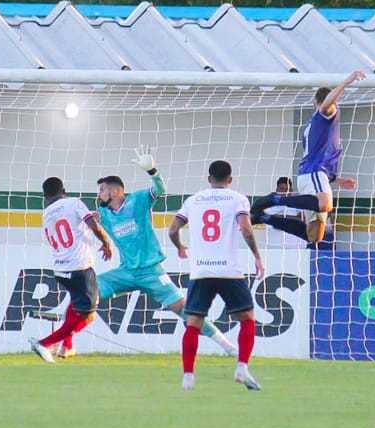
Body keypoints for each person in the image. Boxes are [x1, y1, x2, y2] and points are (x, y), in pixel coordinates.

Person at [45, 148, 238, 359]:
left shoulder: (138, 200)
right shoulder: (104, 215)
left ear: (116, 191)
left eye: (102, 189)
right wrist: (104, 244)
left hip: (151, 271)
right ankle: (65, 345)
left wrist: (152, 171)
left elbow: (160, 189)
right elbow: (87, 225)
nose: (98, 194)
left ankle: (228, 346)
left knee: (185, 310)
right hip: (125, 272)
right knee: (83, 296)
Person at [169, 160, 265, 391]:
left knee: (193, 323)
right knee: (247, 319)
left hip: (201, 271)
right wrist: (257, 256)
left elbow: (173, 229)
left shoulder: (193, 200)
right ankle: (242, 367)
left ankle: (188, 377)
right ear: (230, 179)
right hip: (229, 271)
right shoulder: (238, 199)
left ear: (209, 179)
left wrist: (180, 247)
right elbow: (245, 227)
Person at [251, 70, 366, 245]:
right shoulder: (325, 115)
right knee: (326, 204)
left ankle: (265, 218)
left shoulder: (316, 126)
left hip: (313, 176)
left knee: (314, 236)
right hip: (314, 174)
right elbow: (327, 105)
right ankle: (275, 199)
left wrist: (337, 179)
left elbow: (318, 155)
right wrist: (346, 81)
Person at [29, 178, 114, 363]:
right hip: (80, 268)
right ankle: (45, 343)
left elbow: (67, 227)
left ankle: (67, 346)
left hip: (61, 270)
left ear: (45, 197)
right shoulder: (74, 203)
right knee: (89, 314)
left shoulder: (46, 213)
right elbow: (92, 226)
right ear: (64, 191)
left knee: (75, 305)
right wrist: (106, 242)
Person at [263, 177, 305, 249]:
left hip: (297, 246)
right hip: (274, 246)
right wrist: (293, 218)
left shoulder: (297, 203)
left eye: (287, 190)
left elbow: (303, 220)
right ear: (277, 190)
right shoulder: (268, 204)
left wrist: (279, 217)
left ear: (291, 191)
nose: (284, 193)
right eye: (281, 189)